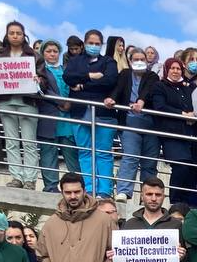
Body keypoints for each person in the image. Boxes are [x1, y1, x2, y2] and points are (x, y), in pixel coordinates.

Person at [64, 29, 120, 197]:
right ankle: (89, 189)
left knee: (103, 153)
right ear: (85, 43)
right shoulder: (75, 61)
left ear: (101, 45)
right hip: (80, 113)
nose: (94, 46)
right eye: (91, 43)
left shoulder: (109, 61)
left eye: (97, 44)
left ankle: (104, 191)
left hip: (104, 113)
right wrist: (90, 75)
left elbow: (109, 81)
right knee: (85, 152)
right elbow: (68, 77)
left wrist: (83, 84)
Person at [106, 47, 160, 202]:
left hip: (150, 124)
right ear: (130, 61)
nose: (139, 62)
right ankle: (123, 191)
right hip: (129, 122)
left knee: (150, 162)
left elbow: (149, 90)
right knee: (130, 156)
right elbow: (118, 89)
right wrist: (111, 99)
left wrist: (141, 101)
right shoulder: (124, 74)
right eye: (136, 59)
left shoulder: (152, 76)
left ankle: (148, 195)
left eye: (142, 59)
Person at [0, 21, 42, 190]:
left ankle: (30, 179)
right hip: (6, 101)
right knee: (11, 142)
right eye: (12, 33)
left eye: (18, 33)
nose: (15, 36)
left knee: (29, 142)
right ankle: (16, 177)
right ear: (7, 35)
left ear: (24, 36)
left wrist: (39, 80)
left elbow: (43, 80)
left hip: (28, 102)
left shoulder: (34, 56)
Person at [152, 58, 197, 205]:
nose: (175, 71)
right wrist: (182, 114)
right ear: (167, 69)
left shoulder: (188, 87)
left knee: (191, 169)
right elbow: (159, 107)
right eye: (172, 68)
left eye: (178, 68)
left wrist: (193, 115)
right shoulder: (160, 86)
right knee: (181, 166)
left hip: (189, 134)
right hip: (171, 135)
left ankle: (186, 203)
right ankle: (175, 201)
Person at [35, 40, 80, 193]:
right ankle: (51, 186)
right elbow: (42, 89)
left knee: (71, 155)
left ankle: (77, 186)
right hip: (49, 117)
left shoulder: (66, 70)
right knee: (48, 153)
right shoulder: (40, 71)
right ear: (43, 53)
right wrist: (61, 101)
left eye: (55, 51)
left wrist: (70, 102)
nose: (52, 54)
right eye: (48, 51)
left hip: (67, 118)